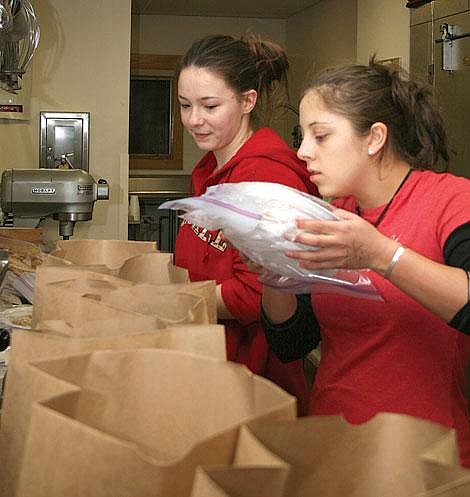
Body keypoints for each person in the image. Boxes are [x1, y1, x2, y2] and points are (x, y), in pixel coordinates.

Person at [260, 58, 470, 465]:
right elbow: (293, 342)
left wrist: (380, 254)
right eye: (301, 135)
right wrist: (275, 275)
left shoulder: (451, 200)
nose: (303, 152)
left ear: (375, 138)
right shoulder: (336, 213)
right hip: (334, 447)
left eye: (320, 136)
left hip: (423, 458)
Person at [174, 33, 318, 415]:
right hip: (208, 361)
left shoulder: (267, 179)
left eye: (209, 105)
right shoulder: (209, 169)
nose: (194, 120)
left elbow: (255, 294)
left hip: (254, 378)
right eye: (185, 105)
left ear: (247, 101)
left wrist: (170, 303)